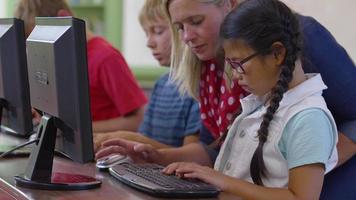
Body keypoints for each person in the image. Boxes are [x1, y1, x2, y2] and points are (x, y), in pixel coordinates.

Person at [96, 0, 356, 198]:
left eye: (196, 21)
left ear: (229, 4)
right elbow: (215, 148)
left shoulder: (297, 37)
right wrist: (156, 155)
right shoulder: (211, 67)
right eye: (180, 27)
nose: (185, 37)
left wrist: (312, 160)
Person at [15, 0, 147, 133]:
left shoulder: (106, 57)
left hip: (101, 148)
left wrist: (74, 130)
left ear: (63, 18)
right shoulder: (62, 57)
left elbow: (138, 121)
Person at [93, 0, 201, 151]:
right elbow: (146, 141)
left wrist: (131, 138)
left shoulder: (199, 85)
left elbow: (192, 157)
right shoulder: (161, 84)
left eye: (158, 31)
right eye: (146, 33)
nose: (149, 42)